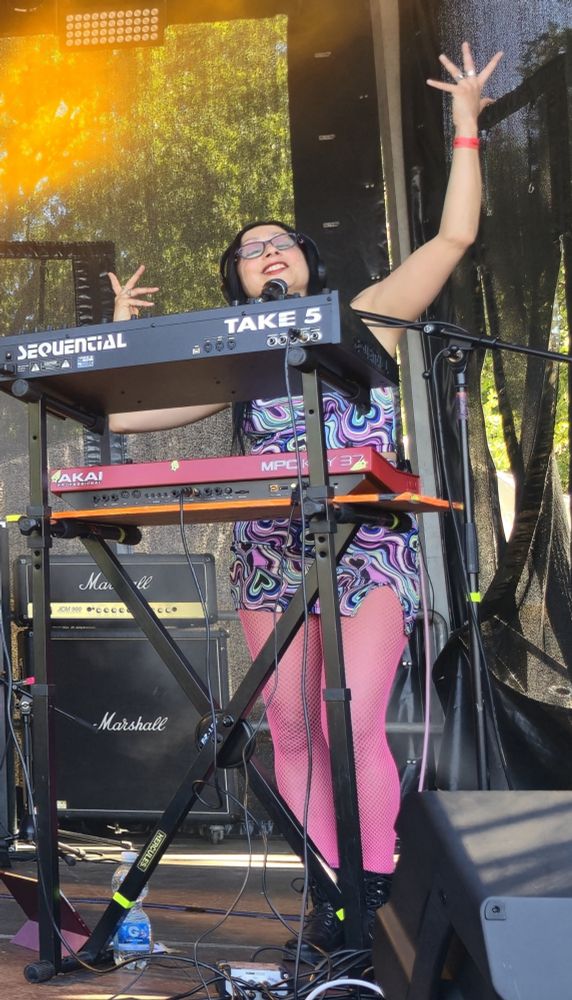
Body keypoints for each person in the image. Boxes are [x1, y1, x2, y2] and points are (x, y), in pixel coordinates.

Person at [108, 41, 503, 957]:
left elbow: (452, 240)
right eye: (249, 254)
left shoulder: (365, 317)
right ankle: (326, 897)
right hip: (269, 553)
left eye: (278, 244)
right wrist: (123, 335)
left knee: (353, 716)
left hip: (365, 546)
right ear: (237, 287)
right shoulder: (239, 368)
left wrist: (468, 127)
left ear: (307, 266)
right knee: (287, 723)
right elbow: (129, 420)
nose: (265, 253)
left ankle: (369, 895)